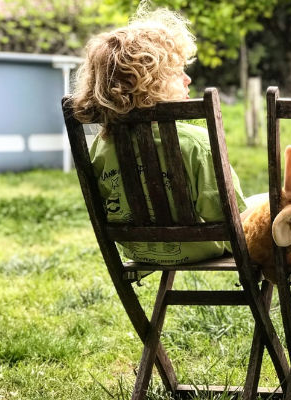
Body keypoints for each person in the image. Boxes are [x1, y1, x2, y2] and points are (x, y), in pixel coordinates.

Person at [71, 6, 247, 265]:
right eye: (177, 72)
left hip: (137, 250)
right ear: (150, 84)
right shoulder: (197, 143)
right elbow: (227, 215)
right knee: (261, 205)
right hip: (200, 247)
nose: (187, 79)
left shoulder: (102, 145)